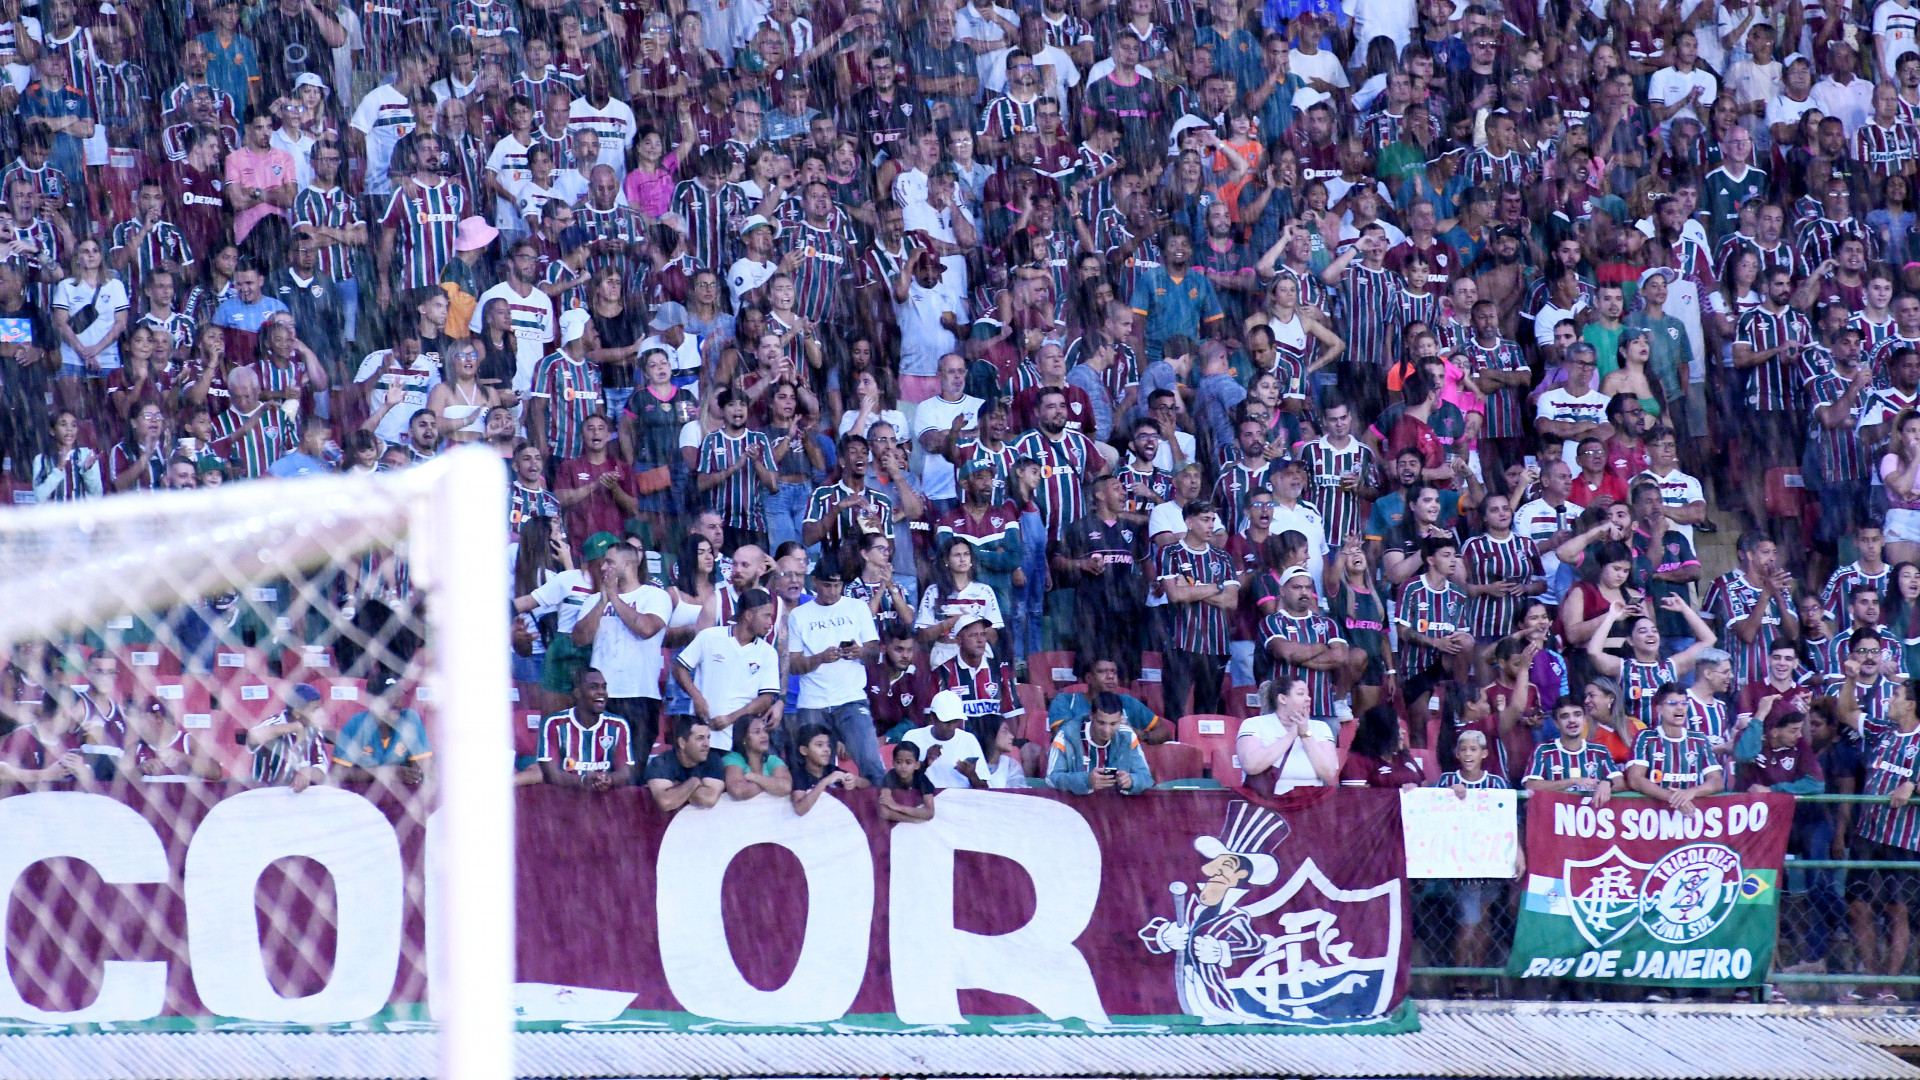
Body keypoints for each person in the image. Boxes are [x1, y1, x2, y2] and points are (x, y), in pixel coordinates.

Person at [786, 555, 884, 783]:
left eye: (837, 585)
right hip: (813, 704)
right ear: (815, 582)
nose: (832, 592)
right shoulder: (799, 615)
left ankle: (881, 813)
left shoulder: (857, 608)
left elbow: (875, 652)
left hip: (851, 699)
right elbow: (794, 665)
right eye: (827, 586)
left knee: (871, 764)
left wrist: (860, 652)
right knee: (815, 773)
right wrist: (820, 658)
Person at [673, 587, 781, 752]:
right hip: (703, 737)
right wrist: (697, 698)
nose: (770, 623)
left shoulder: (768, 653)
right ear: (749, 615)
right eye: (766, 615)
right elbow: (679, 668)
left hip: (741, 740)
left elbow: (766, 699)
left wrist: (731, 718)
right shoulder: (709, 637)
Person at [1623, 684, 1726, 815]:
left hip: (1691, 817)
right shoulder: (1645, 737)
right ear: (1659, 708)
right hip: (1654, 816)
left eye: (1684, 703)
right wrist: (1673, 798)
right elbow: (1635, 780)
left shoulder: (1699, 739)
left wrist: (1691, 792)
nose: (1679, 708)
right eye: (1672, 703)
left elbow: (1717, 781)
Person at [1235, 676, 1340, 794]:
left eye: (1308, 694)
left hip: (1311, 802)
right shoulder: (1253, 724)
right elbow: (1250, 765)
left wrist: (1305, 734)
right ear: (1282, 699)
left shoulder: (1320, 727)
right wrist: (1291, 736)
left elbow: (1328, 774)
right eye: (1301, 694)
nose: (1308, 699)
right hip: (1267, 801)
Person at [329, 670, 432, 786]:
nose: (397, 703)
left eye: (399, 696)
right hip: (362, 793)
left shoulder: (409, 719)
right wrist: (387, 772)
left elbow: (422, 768)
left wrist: (413, 772)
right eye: (389, 697)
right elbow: (337, 772)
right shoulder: (356, 724)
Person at [538, 667, 634, 791]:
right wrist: (582, 780)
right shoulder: (554, 723)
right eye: (594, 687)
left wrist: (610, 779)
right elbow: (551, 774)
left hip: (605, 801)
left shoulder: (618, 725)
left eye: (604, 687)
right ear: (577, 693)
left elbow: (625, 771)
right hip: (564, 800)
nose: (601, 692)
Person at [1046, 690, 1153, 795]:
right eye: (1101, 723)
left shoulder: (1127, 736)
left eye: (1113, 724)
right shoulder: (1066, 735)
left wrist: (1132, 781)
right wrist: (1086, 780)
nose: (1107, 730)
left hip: (1115, 807)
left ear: (1121, 720)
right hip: (1074, 806)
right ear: (1091, 716)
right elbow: (1051, 778)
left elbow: (1147, 778)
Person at [244, 683, 332, 790]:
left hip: (298, 795)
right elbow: (252, 737)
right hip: (264, 792)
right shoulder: (274, 724)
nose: (321, 713)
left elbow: (321, 768)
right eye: (315, 709)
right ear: (297, 713)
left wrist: (308, 772)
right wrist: (295, 727)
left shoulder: (314, 730)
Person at [901, 689, 989, 789]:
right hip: (922, 801)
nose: (952, 727)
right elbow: (900, 782)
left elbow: (985, 790)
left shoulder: (968, 739)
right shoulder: (912, 737)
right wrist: (925, 763)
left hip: (961, 801)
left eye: (955, 721)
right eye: (946, 722)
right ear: (932, 717)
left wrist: (972, 776)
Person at [643, 716, 726, 811]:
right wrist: (694, 782)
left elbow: (708, 799)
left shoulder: (713, 760)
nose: (707, 744)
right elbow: (666, 802)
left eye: (708, 738)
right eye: (700, 738)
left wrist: (676, 787)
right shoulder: (662, 762)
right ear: (682, 742)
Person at [1340, 703, 1425, 789]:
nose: (1403, 731)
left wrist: (1415, 788)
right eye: (1397, 727)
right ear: (1383, 731)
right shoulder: (1358, 761)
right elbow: (1354, 795)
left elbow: (1424, 783)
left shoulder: (1404, 756)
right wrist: (1398, 792)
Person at [721, 713, 793, 801]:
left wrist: (753, 777)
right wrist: (771, 785)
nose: (764, 735)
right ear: (743, 738)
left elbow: (786, 786)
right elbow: (738, 791)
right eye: (757, 732)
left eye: (765, 730)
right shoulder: (733, 758)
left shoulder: (772, 760)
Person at [879, 741, 940, 822]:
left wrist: (897, 807)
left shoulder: (921, 778)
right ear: (893, 763)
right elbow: (884, 812)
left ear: (917, 765)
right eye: (899, 762)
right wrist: (912, 820)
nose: (903, 766)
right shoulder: (891, 776)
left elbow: (929, 813)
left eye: (908, 762)